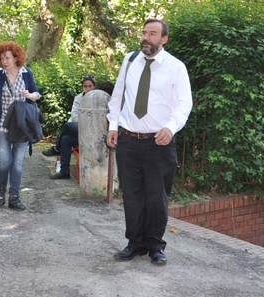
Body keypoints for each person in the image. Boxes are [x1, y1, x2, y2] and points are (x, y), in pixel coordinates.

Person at [106, 19, 193, 266]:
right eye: (145, 33)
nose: (146, 37)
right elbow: (118, 96)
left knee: (156, 197)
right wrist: (113, 127)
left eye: (152, 33)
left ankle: (155, 245)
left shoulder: (176, 67)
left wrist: (171, 127)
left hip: (159, 143)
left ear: (164, 39)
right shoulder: (130, 60)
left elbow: (184, 103)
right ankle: (135, 244)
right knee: (132, 196)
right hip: (128, 141)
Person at [0, 41, 40, 211]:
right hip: (3, 125)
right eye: (2, 58)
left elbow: (36, 95)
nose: (4, 61)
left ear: (16, 57)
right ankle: (1, 190)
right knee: (4, 161)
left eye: (8, 58)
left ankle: (14, 197)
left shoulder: (27, 74)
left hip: (22, 127)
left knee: (17, 163)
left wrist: (29, 95)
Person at [43, 74, 97, 180]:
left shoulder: (98, 99)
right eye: (85, 86)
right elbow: (75, 116)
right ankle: (64, 172)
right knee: (65, 139)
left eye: (90, 86)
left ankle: (56, 149)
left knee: (67, 126)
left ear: (94, 86)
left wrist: (86, 122)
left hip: (93, 132)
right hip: (80, 129)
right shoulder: (78, 98)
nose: (88, 89)